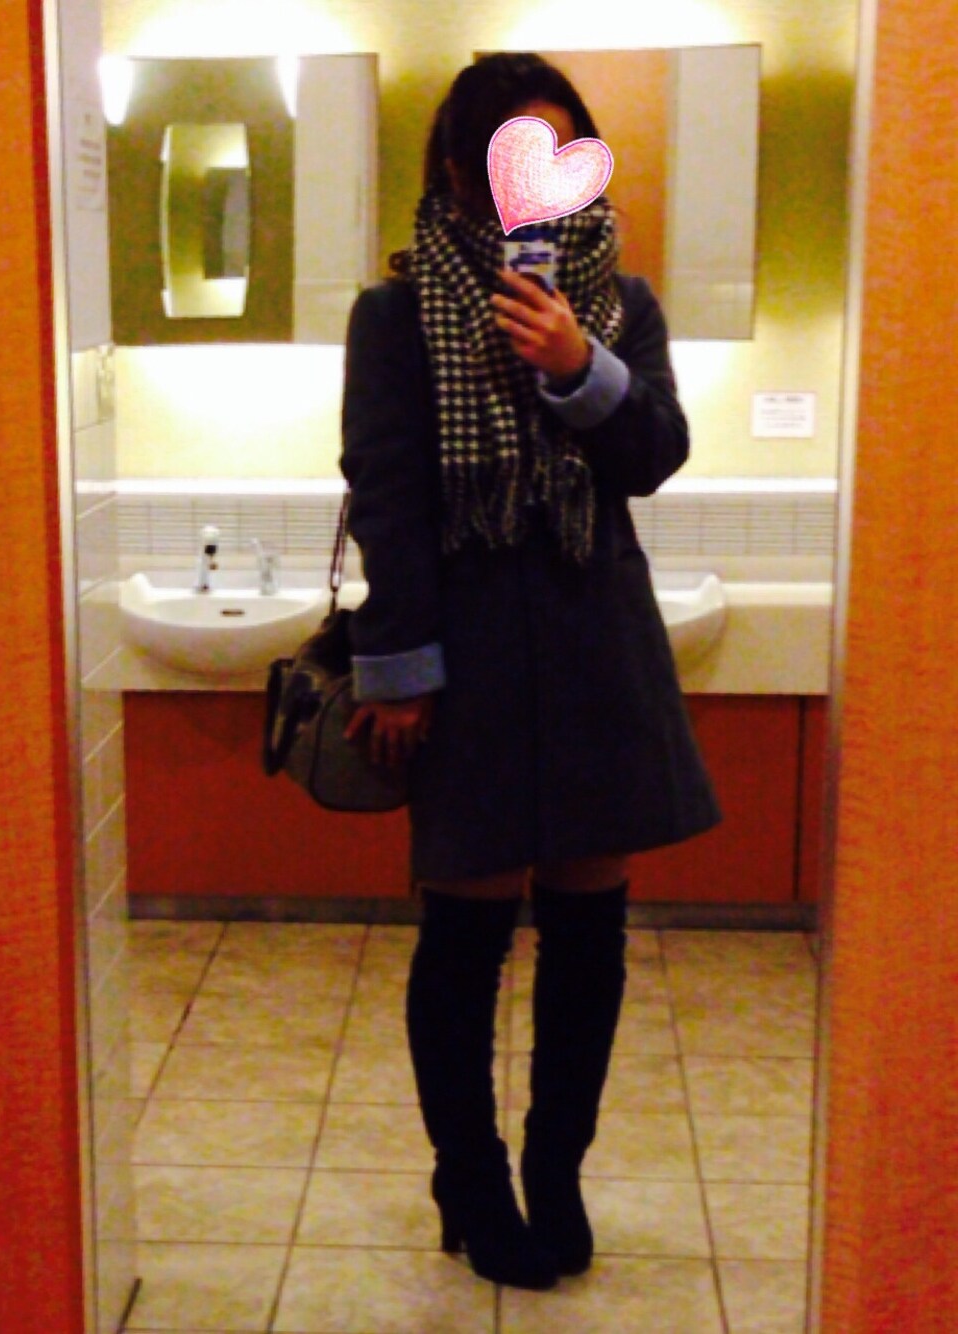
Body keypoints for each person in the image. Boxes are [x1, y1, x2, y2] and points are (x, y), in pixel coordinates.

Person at [339, 52, 721, 1290]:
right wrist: (400, 667)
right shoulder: (396, 315)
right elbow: (386, 495)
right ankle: (470, 1173)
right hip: (469, 653)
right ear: (460, 170)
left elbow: (654, 452)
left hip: (595, 639)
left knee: (588, 936)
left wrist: (575, 364)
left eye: (557, 155)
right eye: (509, 157)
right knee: (464, 937)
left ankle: (557, 1171)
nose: (535, 186)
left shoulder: (622, 304)